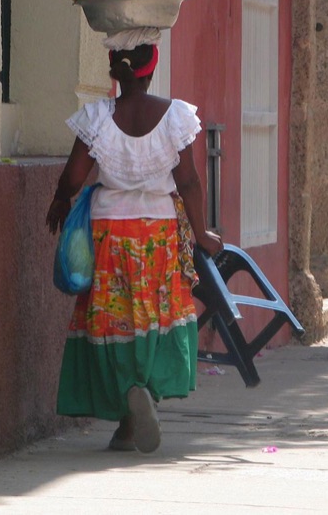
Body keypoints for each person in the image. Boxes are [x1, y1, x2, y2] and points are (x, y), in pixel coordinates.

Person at [46, 42, 223, 454]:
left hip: (109, 231)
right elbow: (190, 181)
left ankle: (127, 417)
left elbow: (74, 177)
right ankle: (144, 392)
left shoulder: (98, 118)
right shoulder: (176, 116)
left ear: (115, 71)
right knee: (153, 314)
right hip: (158, 233)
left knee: (113, 318)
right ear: (151, 67)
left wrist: (59, 200)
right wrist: (203, 233)